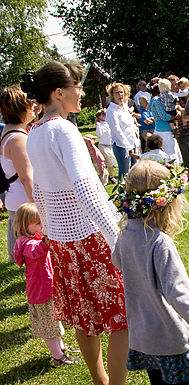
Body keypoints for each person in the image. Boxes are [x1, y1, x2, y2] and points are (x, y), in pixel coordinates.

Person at [25, 60, 128, 385]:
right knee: (121, 318)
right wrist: (116, 237)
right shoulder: (63, 129)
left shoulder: (35, 133)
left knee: (86, 320)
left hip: (60, 241)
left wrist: (51, 231)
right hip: (91, 237)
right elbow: (85, 187)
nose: (82, 93)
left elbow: (38, 191)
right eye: (77, 87)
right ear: (59, 92)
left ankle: (100, 382)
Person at [111, 161, 189, 385]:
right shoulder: (160, 243)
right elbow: (178, 294)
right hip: (170, 338)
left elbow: (116, 262)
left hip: (144, 337)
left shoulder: (125, 235)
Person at [13, 203, 79, 367]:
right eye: (38, 223)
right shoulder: (27, 244)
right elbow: (37, 251)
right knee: (48, 327)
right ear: (24, 225)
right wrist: (47, 240)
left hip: (48, 290)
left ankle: (61, 348)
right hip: (40, 294)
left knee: (54, 321)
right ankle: (58, 357)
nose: (42, 226)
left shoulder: (34, 239)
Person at [0, 86, 36, 262]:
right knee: (28, 254)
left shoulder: (8, 132)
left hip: (15, 200)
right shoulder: (18, 138)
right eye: (31, 103)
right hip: (24, 202)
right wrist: (38, 207)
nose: (34, 107)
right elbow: (26, 177)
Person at [107, 82, 139, 180]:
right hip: (121, 145)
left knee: (135, 171)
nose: (120, 95)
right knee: (125, 173)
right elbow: (117, 131)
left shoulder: (125, 107)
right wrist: (128, 147)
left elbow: (130, 125)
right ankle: (122, 194)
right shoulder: (111, 110)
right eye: (117, 93)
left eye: (121, 92)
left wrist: (135, 143)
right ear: (112, 95)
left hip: (132, 142)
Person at [149, 83, 182, 164]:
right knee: (170, 155)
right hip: (164, 131)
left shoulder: (152, 100)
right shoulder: (157, 101)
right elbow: (163, 116)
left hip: (160, 129)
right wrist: (174, 116)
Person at [95, 109, 117, 184]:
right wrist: (98, 126)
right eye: (103, 114)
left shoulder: (108, 123)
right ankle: (105, 176)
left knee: (111, 161)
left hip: (110, 144)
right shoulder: (99, 125)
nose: (105, 116)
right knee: (109, 158)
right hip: (103, 145)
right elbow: (99, 134)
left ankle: (111, 176)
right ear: (99, 116)